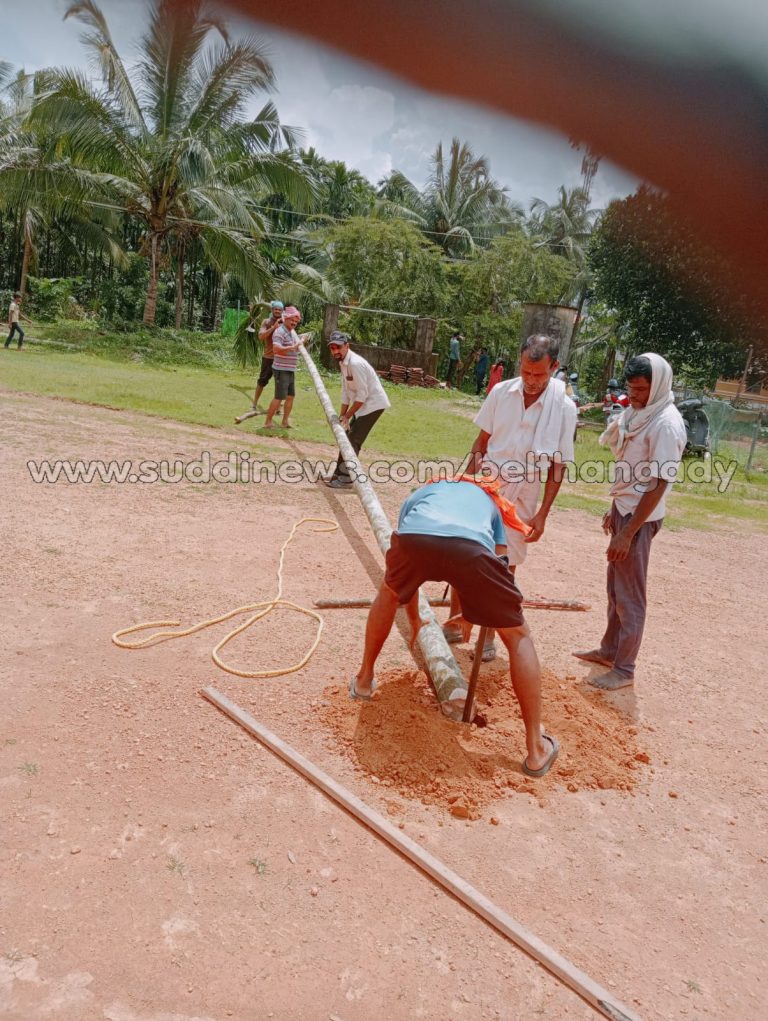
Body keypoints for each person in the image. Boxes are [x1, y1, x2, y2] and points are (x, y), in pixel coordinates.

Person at [350, 477, 560, 777]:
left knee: (387, 592)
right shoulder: (491, 502)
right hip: (472, 548)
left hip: (416, 538)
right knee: (518, 637)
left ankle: (363, 681)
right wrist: (473, 616)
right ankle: (535, 750)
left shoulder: (421, 494)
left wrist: (416, 620)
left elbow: (405, 574)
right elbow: (494, 564)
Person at [449, 334, 577, 661]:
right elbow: (481, 443)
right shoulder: (501, 393)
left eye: (539, 374)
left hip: (525, 491)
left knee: (505, 564)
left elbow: (558, 466)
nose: (532, 381)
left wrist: (543, 514)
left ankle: (488, 634)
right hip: (488, 481)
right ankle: (458, 621)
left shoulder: (564, 408)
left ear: (555, 367)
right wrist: (465, 485)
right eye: (526, 372)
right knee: (467, 550)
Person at [573, 353, 687, 690]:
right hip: (626, 510)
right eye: (631, 388)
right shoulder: (640, 415)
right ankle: (610, 649)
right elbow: (630, 468)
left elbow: (658, 483)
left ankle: (624, 669)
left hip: (640, 518)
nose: (633, 396)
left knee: (630, 595)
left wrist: (628, 533)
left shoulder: (666, 423)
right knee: (615, 588)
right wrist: (615, 508)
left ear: (658, 387)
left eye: (640, 390)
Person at [324, 330, 391, 489]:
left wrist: (347, 416)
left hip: (373, 405)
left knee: (353, 441)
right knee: (345, 438)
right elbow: (346, 391)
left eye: (338, 347)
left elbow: (362, 395)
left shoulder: (355, 364)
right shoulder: (343, 362)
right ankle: (337, 474)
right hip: (362, 406)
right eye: (332, 348)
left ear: (347, 346)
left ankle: (346, 479)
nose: (335, 351)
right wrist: (342, 416)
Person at [263, 306, 305, 430]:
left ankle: (285, 422)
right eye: (292, 320)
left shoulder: (291, 333)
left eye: (296, 322)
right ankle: (268, 422)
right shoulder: (280, 332)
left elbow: (292, 348)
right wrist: (292, 347)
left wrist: (300, 342)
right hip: (281, 369)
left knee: (290, 396)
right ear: (286, 319)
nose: (294, 323)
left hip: (290, 369)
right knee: (279, 397)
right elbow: (276, 349)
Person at [251, 300, 284, 413]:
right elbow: (261, 337)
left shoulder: (285, 323)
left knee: (280, 384)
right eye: (276, 309)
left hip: (281, 358)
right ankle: (254, 404)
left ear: (282, 311)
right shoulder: (266, 322)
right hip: (268, 358)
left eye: (280, 309)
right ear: (272, 310)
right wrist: (273, 328)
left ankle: (278, 408)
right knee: (262, 382)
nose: (277, 311)